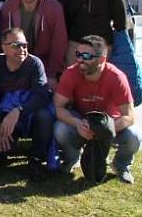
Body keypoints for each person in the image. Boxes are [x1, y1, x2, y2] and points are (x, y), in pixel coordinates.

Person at [54, 35, 141, 184]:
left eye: (86, 56)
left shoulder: (117, 77)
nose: (80, 60)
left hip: (110, 123)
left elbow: (130, 116)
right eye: (78, 54)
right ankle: (72, 159)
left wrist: (105, 129)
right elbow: (58, 108)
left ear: (101, 59)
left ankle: (121, 165)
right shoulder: (70, 73)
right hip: (82, 121)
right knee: (60, 129)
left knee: (134, 135)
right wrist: (77, 123)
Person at [0, 28, 54, 179]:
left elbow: (42, 96)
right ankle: (10, 148)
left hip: (29, 113)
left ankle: (37, 159)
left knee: (44, 116)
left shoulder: (34, 64)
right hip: (4, 115)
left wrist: (19, 110)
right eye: (15, 45)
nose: (22, 49)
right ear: (3, 47)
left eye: (24, 45)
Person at [1, 0, 67, 88]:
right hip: (16, 66)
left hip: (44, 65)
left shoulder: (53, 7)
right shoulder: (8, 7)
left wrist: (51, 74)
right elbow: (4, 40)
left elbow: (59, 43)